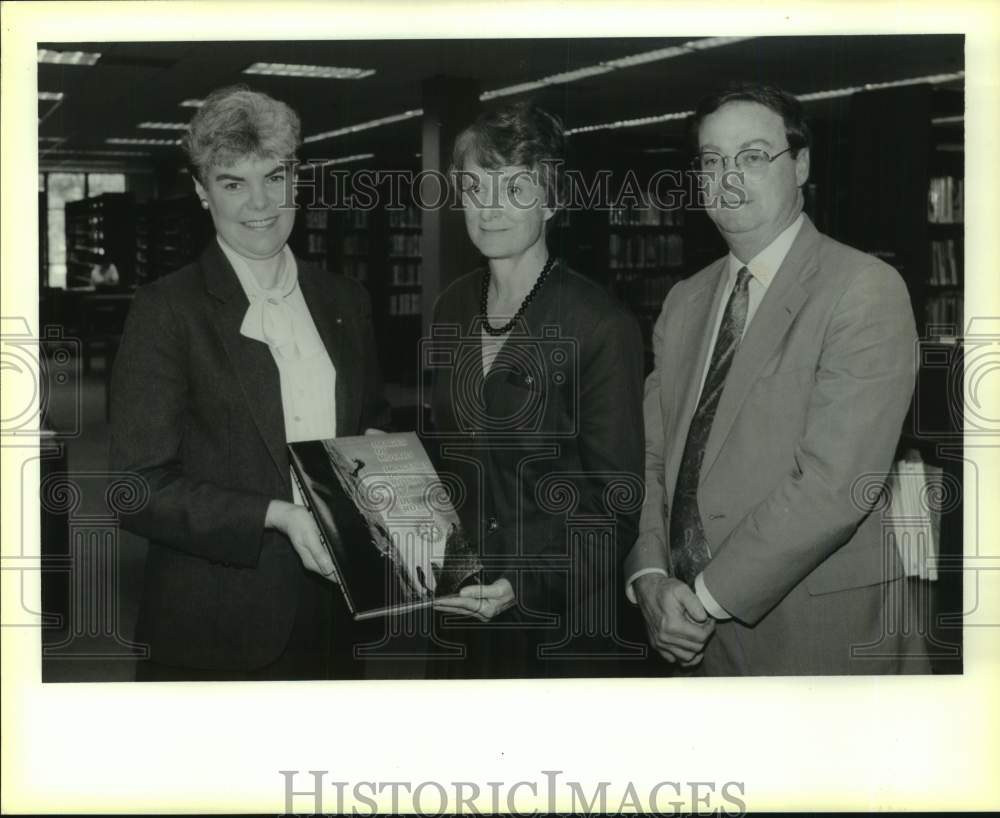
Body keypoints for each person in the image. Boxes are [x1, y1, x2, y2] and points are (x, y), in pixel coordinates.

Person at [626, 82, 930, 675]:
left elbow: (836, 482)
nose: (728, 177)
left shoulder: (861, 288)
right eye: (712, 161)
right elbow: (652, 458)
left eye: (753, 156)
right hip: (686, 627)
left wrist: (706, 597)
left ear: (802, 165)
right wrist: (651, 576)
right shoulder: (685, 302)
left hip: (819, 633)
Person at [110, 85, 390, 681]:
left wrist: (381, 461)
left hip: (336, 617)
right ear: (201, 192)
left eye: (275, 176)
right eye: (233, 182)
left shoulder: (346, 301)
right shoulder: (167, 310)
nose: (260, 202)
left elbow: (371, 421)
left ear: (298, 178)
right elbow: (135, 489)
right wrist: (277, 514)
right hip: (215, 626)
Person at [427, 102, 645, 678]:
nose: (490, 208)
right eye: (475, 187)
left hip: (560, 621)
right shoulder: (450, 307)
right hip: (458, 606)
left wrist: (519, 584)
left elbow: (615, 506)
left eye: (514, 189)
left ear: (552, 200)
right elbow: (448, 455)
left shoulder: (599, 325)